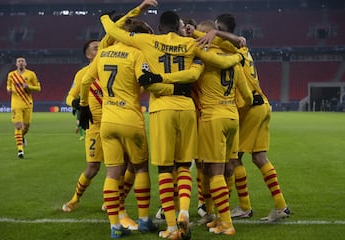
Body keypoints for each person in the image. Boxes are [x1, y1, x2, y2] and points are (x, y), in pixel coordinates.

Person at [100, 4, 245, 239]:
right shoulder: (190, 44)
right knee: (184, 166)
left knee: (165, 169)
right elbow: (217, 60)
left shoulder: (147, 42)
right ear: (180, 26)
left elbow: (114, 32)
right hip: (187, 108)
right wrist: (237, 56)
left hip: (161, 109)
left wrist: (107, 17)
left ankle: (170, 226)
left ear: (159, 28)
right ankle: (185, 212)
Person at [196, 13, 291, 222]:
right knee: (259, 157)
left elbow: (236, 40)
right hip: (262, 104)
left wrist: (212, 33)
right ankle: (280, 205)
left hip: (247, 107)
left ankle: (242, 207)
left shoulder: (233, 49)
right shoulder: (243, 51)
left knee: (234, 158)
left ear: (219, 30)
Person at [79, 15, 162, 238]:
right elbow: (146, 82)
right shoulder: (137, 54)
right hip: (130, 118)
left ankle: (115, 226)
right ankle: (144, 220)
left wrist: (84, 106)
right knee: (141, 168)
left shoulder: (103, 53)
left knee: (113, 173)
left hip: (107, 120)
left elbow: (86, 81)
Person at [62, 39, 102, 213]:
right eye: (95, 48)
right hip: (93, 127)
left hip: (114, 122)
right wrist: (76, 103)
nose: (99, 48)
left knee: (121, 166)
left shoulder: (112, 68)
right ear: (88, 55)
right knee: (92, 168)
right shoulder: (82, 74)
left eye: (101, 46)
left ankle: (114, 201)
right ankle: (75, 199)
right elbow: (70, 97)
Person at [6, 56, 41, 159]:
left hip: (27, 104)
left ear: (25, 64)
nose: (20, 63)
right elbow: (8, 85)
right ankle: (20, 150)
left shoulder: (31, 74)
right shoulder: (11, 75)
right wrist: (9, 89)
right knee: (18, 126)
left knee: (26, 127)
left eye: (22, 61)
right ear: (16, 64)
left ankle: (22, 137)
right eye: (19, 61)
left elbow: (38, 88)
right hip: (15, 104)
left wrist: (29, 87)